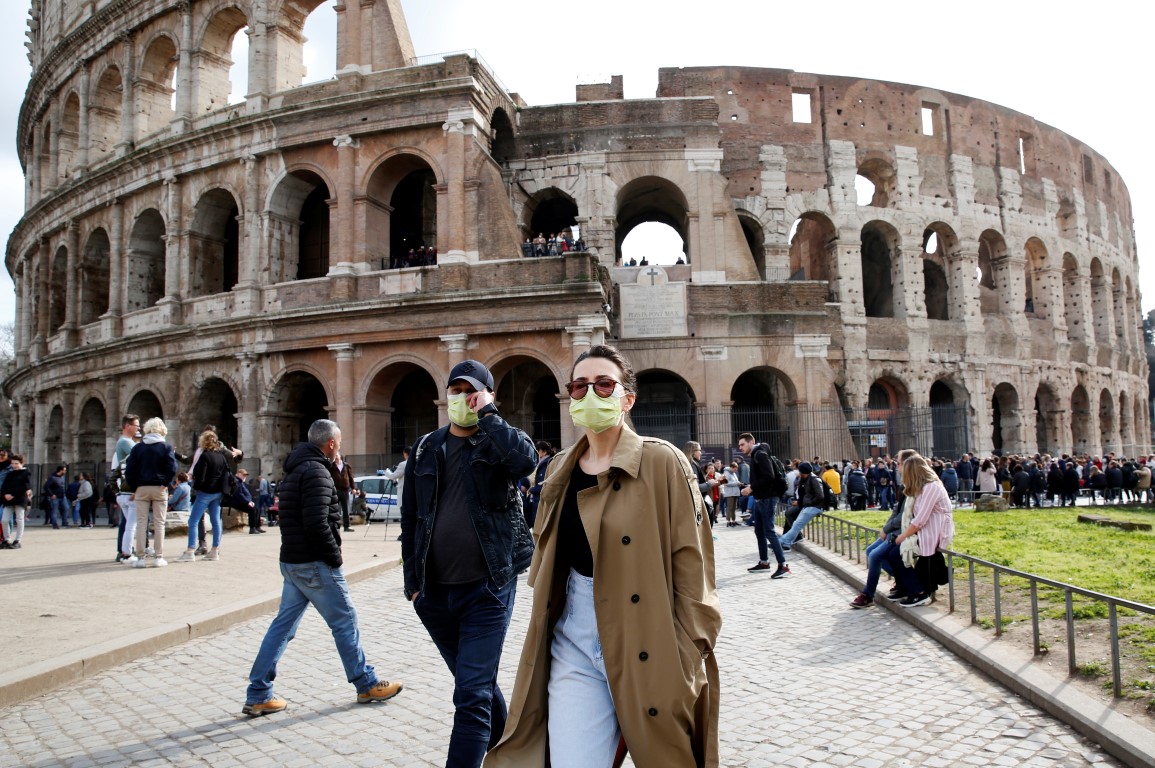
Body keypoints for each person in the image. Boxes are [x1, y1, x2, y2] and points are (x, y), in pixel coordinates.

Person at [487, 344, 722, 768]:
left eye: (603, 384)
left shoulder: (662, 462)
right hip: (574, 636)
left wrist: (689, 655)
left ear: (627, 398)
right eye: (579, 386)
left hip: (650, 637)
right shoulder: (558, 468)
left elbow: (695, 568)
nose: (589, 393)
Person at [401, 359, 537, 767]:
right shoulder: (427, 447)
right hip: (435, 594)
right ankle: (513, 747)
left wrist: (490, 416)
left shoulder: (498, 442)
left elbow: (526, 462)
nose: (463, 398)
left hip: (488, 588)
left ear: (488, 395)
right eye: (456, 391)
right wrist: (414, 583)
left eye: (472, 391)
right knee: (474, 683)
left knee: (471, 693)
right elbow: (411, 517)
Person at [243, 419, 403, 716]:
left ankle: (258, 693)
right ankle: (365, 683)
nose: (339, 447)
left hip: (292, 559)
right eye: (338, 443)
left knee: (283, 628)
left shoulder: (295, 469)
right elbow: (318, 523)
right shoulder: (317, 472)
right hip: (314, 561)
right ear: (330, 444)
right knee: (345, 620)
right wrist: (335, 558)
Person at [849, 449, 918, 608]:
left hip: (904, 531)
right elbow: (896, 511)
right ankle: (901, 581)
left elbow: (905, 516)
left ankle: (868, 594)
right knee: (870, 551)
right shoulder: (905, 484)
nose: (897, 466)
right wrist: (886, 528)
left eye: (899, 463)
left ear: (907, 464)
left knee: (875, 555)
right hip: (895, 530)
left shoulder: (914, 486)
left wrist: (887, 530)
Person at [889, 454, 956, 608]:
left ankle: (918, 593)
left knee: (896, 553)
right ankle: (909, 589)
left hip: (934, 532)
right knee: (893, 552)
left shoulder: (931, 487)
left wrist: (903, 536)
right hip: (925, 531)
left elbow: (920, 519)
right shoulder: (923, 487)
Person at [125, 417, 178, 568]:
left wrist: (135, 486)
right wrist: (166, 483)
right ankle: (158, 557)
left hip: (141, 487)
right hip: (159, 488)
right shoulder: (166, 447)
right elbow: (172, 468)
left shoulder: (138, 448)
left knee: (141, 523)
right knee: (159, 523)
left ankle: (140, 558)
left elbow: (130, 471)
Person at [737, 433, 789, 578]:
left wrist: (751, 488)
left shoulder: (760, 454)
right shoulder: (756, 455)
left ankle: (783, 565)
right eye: (740, 445)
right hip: (761, 498)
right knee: (759, 532)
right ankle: (764, 562)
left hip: (768, 498)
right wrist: (751, 487)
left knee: (769, 532)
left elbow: (769, 476)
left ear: (751, 442)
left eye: (742, 444)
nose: (740, 448)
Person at [177, 432, 231, 562]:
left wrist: (196, 486)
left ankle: (190, 550)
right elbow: (226, 473)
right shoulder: (221, 457)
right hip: (218, 492)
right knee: (216, 521)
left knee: (193, 521)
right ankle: (215, 550)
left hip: (205, 492)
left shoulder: (205, 456)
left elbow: (200, 476)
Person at [112, 414, 141, 562]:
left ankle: (125, 551)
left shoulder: (126, 442)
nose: (139, 428)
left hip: (124, 489)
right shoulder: (125, 443)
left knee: (128, 524)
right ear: (128, 426)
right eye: (136, 425)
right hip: (130, 489)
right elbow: (141, 457)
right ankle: (127, 552)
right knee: (130, 525)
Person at [779, 462, 824, 549]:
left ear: (803, 472)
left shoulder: (814, 480)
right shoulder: (807, 479)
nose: (799, 473)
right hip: (808, 506)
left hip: (814, 506)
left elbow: (820, 496)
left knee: (797, 524)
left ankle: (781, 541)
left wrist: (809, 503)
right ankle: (786, 543)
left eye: (800, 472)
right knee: (796, 523)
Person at [0, 454, 32, 549]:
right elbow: (4, 486)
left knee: (20, 520)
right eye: (13, 463)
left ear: (22, 463)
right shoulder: (10, 473)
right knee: (4, 520)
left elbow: (26, 486)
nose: (14, 465)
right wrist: (5, 494)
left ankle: (18, 540)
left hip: (20, 499)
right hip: (8, 499)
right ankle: (7, 540)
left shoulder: (26, 472)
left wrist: (12, 495)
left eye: (16, 463)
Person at [526, 441, 555, 529]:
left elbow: (542, 484)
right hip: (538, 499)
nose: (536, 453)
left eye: (538, 450)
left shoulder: (545, 464)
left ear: (544, 451)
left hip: (540, 500)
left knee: (539, 526)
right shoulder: (543, 463)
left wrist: (531, 490)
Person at [332, 453, 355, 532]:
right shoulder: (331, 466)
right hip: (335, 490)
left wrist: (353, 488)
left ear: (340, 456)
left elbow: (351, 477)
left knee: (346, 509)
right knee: (335, 509)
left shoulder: (346, 465)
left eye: (336, 456)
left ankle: (347, 526)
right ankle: (335, 525)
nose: (335, 458)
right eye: (334, 456)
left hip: (345, 490)